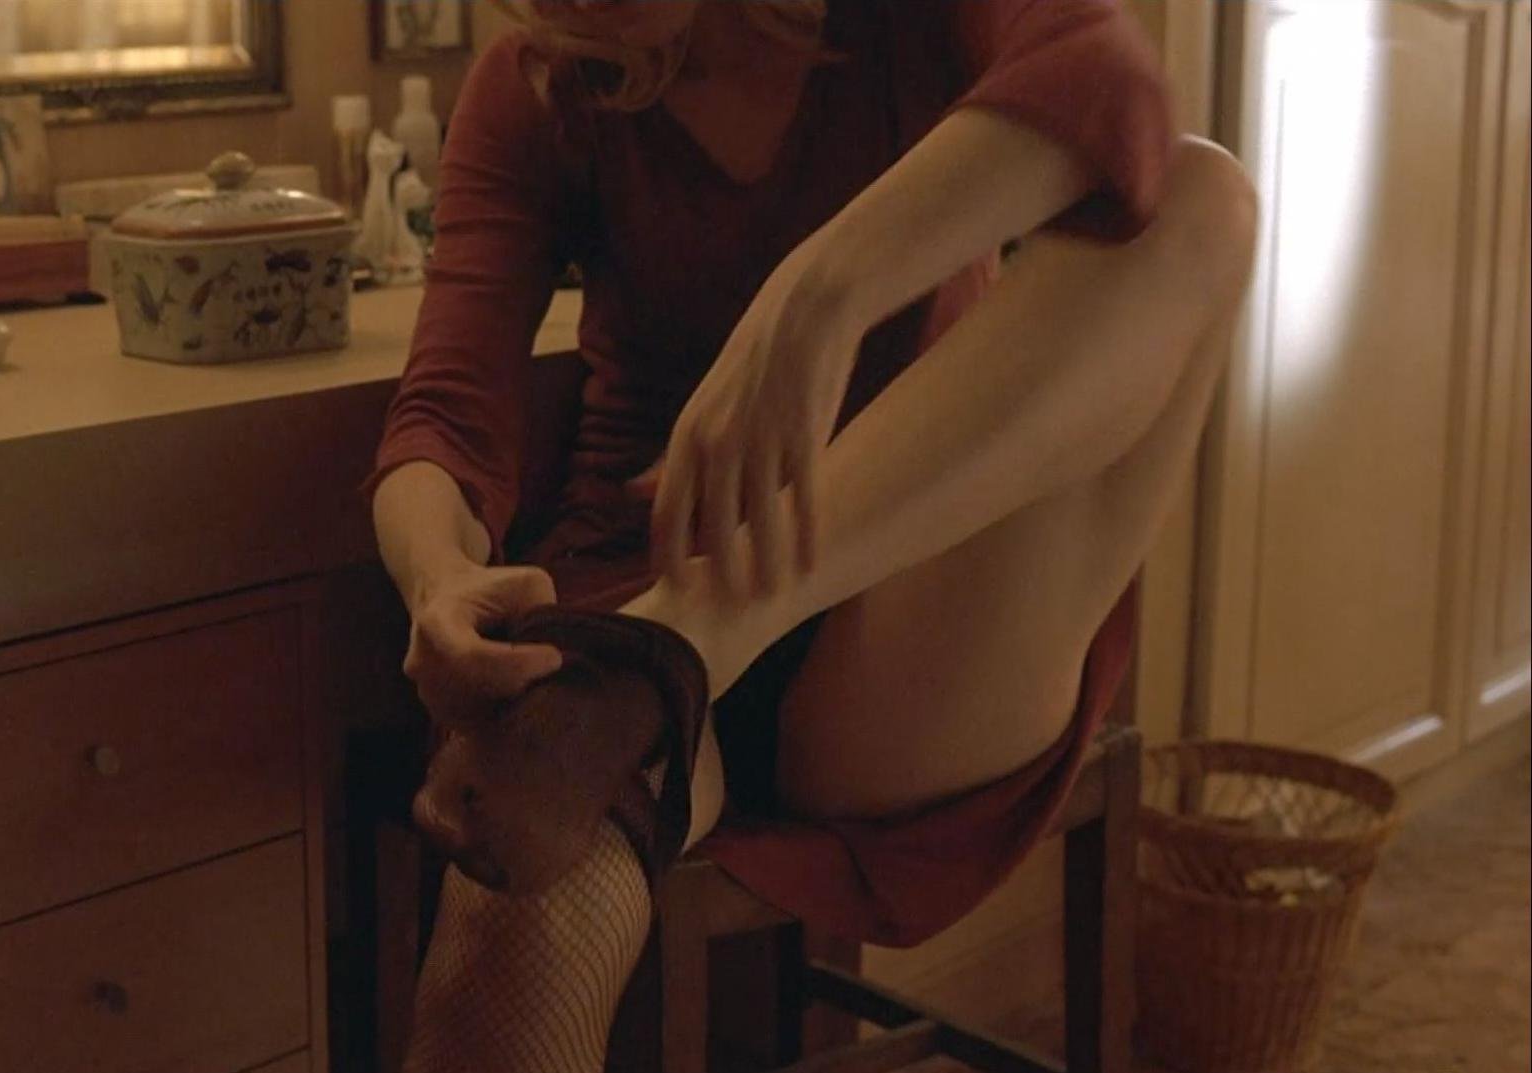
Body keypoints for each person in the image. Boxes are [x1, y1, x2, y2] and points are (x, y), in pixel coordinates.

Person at [364, 1, 1258, 1069]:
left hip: (895, 612)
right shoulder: (537, 81)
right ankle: (667, 654)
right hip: (628, 600)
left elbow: (1111, 83)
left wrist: (819, 294)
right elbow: (445, 414)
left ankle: (684, 639)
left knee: (1200, 195)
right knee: (515, 934)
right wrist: (436, 575)